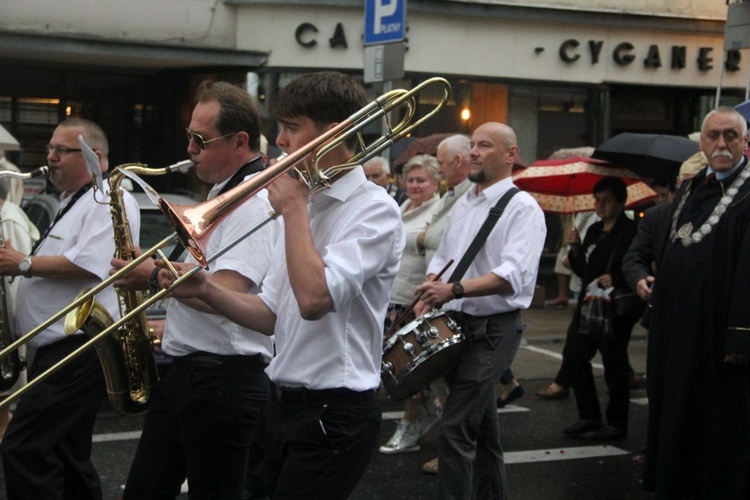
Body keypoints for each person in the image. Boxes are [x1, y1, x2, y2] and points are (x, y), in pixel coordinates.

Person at [156, 71, 404, 500]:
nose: (280, 142)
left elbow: (313, 299)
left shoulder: (374, 211)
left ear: (333, 134)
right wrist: (204, 289)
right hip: (282, 403)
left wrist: (293, 209)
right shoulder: (308, 202)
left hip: (336, 410)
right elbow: (270, 315)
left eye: (291, 128)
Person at [111, 81, 281, 500]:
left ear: (240, 141)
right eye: (190, 136)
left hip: (223, 382)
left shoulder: (255, 202)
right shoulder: (224, 194)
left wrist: (152, 277)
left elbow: (227, 289)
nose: (189, 148)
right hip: (193, 375)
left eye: (200, 139)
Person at [0, 117, 140, 500]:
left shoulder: (111, 198)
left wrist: (22, 264)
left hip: (79, 347)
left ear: (94, 157)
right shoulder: (72, 202)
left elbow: (89, 264)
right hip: (58, 348)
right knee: (67, 453)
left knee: (23, 447)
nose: (50, 157)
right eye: (50, 148)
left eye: (62, 150)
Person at [413, 121, 546, 499]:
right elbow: (443, 257)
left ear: (510, 155)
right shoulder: (464, 203)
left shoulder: (523, 207)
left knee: (454, 429)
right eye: (472, 145)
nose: (473, 152)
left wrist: (452, 289)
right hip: (457, 324)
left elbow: (514, 275)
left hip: (495, 329)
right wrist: (430, 289)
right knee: (484, 436)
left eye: (484, 145)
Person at [643, 106, 750, 498]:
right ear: (702, 142)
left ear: (745, 142)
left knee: (715, 418)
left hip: (716, 330)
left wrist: (740, 334)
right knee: (674, 407)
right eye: (713, 136)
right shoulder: (689, 188)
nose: (721, 144)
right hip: (676, 326)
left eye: (731, 136)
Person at [559, 177, 639, 440]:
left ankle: (617, 422)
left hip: (614, 306)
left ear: (620, 202)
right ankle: (589, 416)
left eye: (606, 200)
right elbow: (585, 271)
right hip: (588, 303)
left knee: (614, 364)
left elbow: (638, 265)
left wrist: (616, 279)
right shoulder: (593, 230)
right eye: (597, 200)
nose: (600, 205)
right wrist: (574, 250)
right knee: (574, 356)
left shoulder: (631, 231)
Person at [379, 154, 441, 455]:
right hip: (391, 300)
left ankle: (410, 426)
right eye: (411, 180)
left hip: (416, 301)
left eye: (422, 180)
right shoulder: (403, 206)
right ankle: (440, 415)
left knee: (412, 370)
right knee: (395, 369)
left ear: (435, 182)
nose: (414, 185)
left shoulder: (439, 210)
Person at [0, 175, 40, 439]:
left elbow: (17, 282)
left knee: (2, 410)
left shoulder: (8, 219)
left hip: (5, 329)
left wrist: (13, 342)